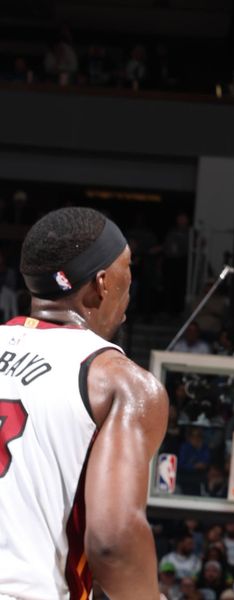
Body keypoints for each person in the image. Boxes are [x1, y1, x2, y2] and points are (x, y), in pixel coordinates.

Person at [0, 207, 168, 598]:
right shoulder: (119, 381)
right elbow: (113, 542)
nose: (131, 283)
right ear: (102, 283)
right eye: (128, 269)